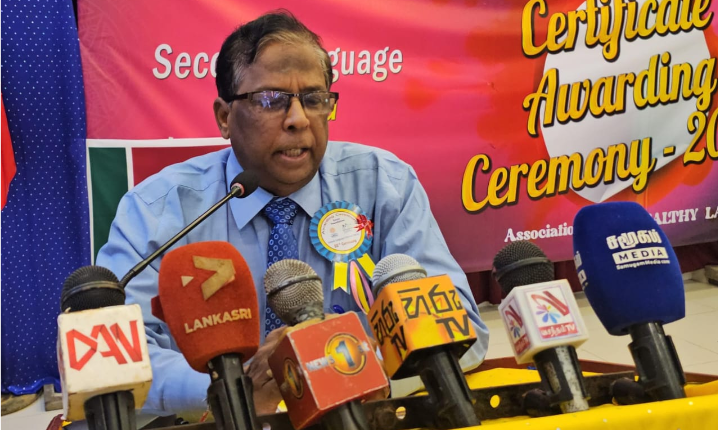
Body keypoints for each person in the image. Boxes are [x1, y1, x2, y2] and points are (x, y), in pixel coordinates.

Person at [96, 10, 489, 418]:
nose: (299, 120)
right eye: (271, 100)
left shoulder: (383, 184)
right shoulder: (159, 208)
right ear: (225, 117)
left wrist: (338, 357)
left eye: (315, 99)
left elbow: (463, 327)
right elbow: (116, 356)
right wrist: (233, 391)